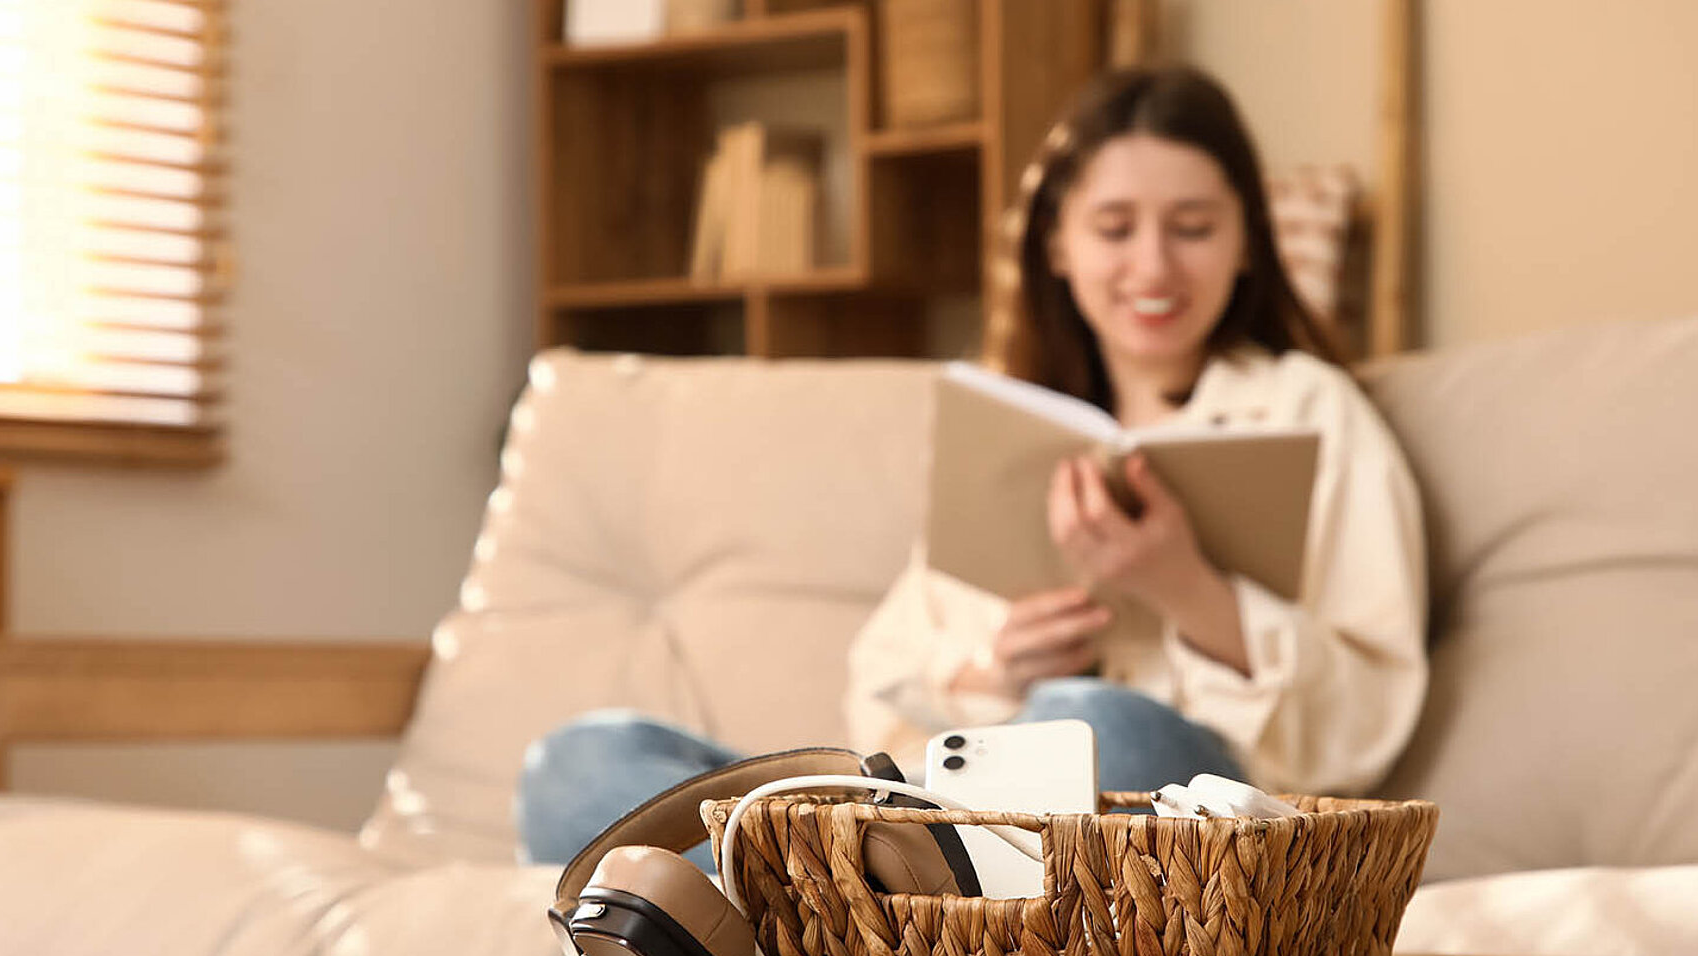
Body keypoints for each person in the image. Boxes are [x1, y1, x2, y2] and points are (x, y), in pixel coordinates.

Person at [515, 65, 1428, 869]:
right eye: (1114, 227)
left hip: (1163, 818)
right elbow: (881, 686)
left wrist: (1186, 588)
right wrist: (994, 669)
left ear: (1245, 241)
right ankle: (873, 898)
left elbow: (1373, 714)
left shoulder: (1310, 410)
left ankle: (816, 906)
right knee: (580, 768)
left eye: (1192, 227)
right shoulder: (1011, 431)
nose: (1153, 265)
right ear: (1059, 244)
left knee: (1096, 725)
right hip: (958, 809)